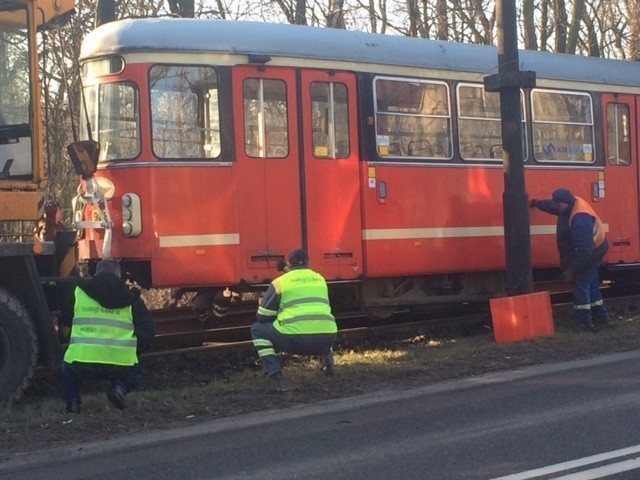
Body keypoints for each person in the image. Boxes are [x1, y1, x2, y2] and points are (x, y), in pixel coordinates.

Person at [59, 259, 155, 413]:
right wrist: (133, 352)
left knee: (66, 367)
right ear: (120, 276)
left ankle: (73, 404)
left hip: (82, 362)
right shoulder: (132, 299)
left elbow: (64, 318)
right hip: (120, 364)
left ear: (95, 274)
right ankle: (119, 390)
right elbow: (148, 332)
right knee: (136, 373)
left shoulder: (79, 292)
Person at [252, 249, 337, 389]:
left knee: (257, 329)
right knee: (320, 323)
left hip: (295, 341)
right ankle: (329, 365)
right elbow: (300, 280)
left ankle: (274, 372)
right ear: (308, 263)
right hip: (327, 340)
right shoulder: (320, 279)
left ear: (289, 264)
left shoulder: (279, 283)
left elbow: (262, 316)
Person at [530, 188, 610, 331]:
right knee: (590, 282)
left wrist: (571, 270)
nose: (555, 207)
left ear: (565, 203)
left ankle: (583, 322)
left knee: (580, 281)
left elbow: (584, 253)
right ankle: (601, 317)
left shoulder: (580, 220)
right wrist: (536, 203)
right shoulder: (570, 203)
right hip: (594, 248)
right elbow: (551, 206)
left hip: (594, 251)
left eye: (557, 204)